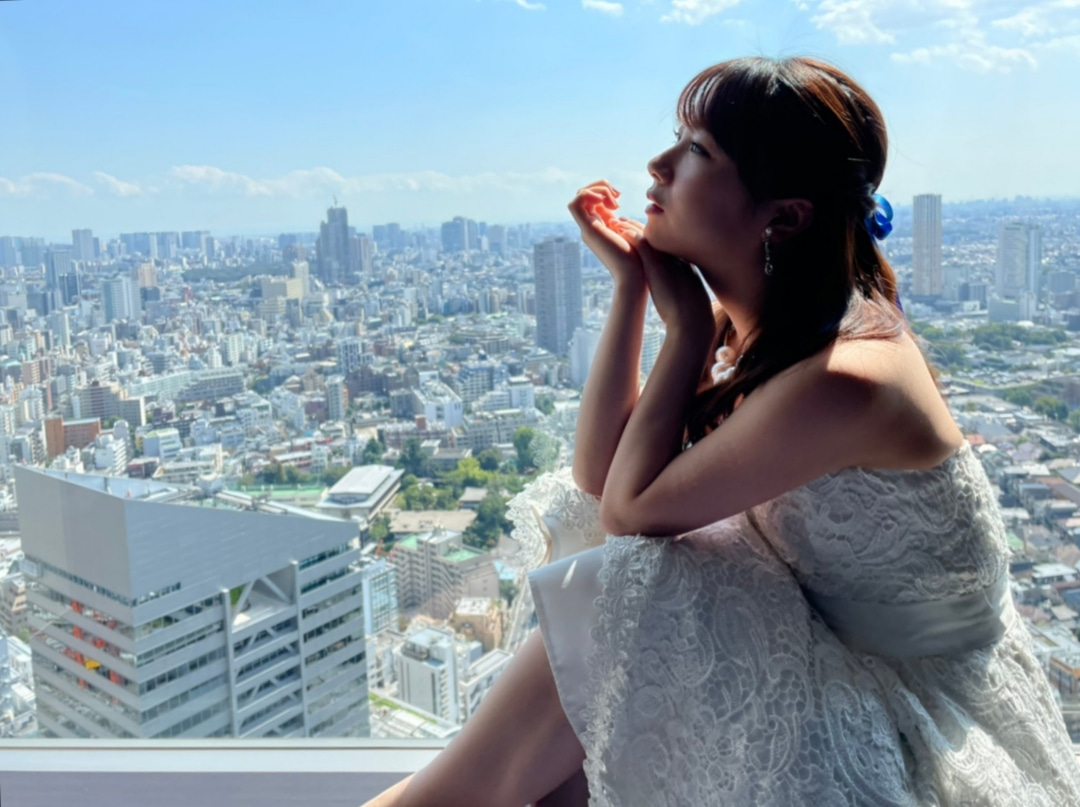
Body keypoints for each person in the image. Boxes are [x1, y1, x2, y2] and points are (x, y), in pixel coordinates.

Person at [363, 56, 1080, 807]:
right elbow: (600, 481)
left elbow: (629, 509)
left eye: (698, 150)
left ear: (785, 217)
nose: (659, 164)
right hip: (827, 633)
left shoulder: (846, 378)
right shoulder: (767, 327)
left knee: (633, 584)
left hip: (917, 700)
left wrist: (684, 329)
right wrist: (633, 289)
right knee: (614, 582)